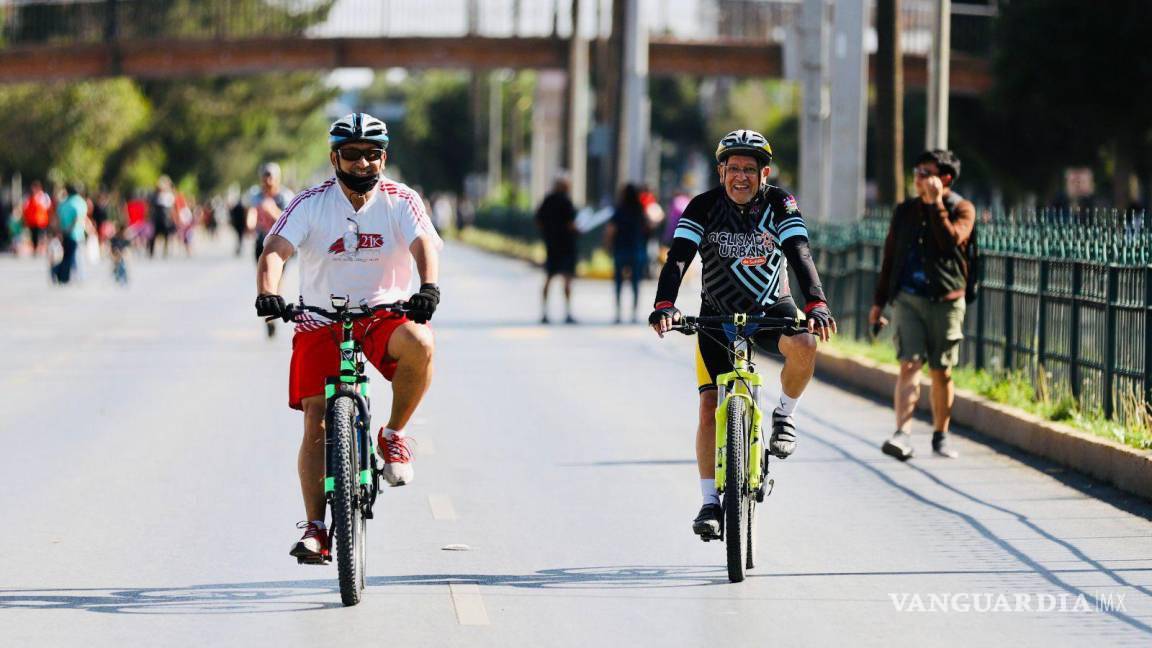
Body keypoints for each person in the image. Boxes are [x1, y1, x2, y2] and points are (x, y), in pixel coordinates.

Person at [254, 112, 443, 564]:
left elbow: (423, 246)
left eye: (372, 155)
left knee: (421, 344)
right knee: (316, 419)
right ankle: (317, 529)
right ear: (334, 156)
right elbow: (275, 251)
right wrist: (268, 294)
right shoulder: (309, 202)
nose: (362, 164)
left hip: (383, 312)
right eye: (353, 155)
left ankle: (393, 433)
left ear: (384, 158)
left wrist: (428, 288)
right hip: (320, 317)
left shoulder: (402, 199)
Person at [648, 129, 836, 540]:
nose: (741, 177)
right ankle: (709, 502)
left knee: (805, 344)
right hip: (717, 317)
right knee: (708, 405)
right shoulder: (702, 206)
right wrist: (665, 304)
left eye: (750, 169)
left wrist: (816, 303)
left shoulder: (780, 203)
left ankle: (784, 415)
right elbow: (678, 259)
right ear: (721, 171)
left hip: (771, 310)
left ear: (764, 173)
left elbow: (799, 253)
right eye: (733, 168)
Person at [870, 149, 974, 461]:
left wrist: (936, 205)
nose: (919, 178)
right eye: (917, 171)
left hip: (946, 300)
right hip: (908, 299)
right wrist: (879, 303)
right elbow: (891, 257)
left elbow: (950, 241)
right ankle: (902, 433)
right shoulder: (904, 211)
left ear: (945, 178)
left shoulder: (962, 209)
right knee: (909, 364)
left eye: (927, 173)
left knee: (942, 370)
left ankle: (941, 435)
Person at [248, 162, 295, 338]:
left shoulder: (285, 196)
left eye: (271, 177)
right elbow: (252, 213)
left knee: (277, 282)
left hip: (280, 245)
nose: (267, 181)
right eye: (264, 177)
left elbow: (289, 221)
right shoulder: (256, 196)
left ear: (277, 179)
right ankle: (269, 318)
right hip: (261, 244)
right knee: (264, 281)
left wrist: (272, 210)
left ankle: (272, 313)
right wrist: (251, 223)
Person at [534, 174, 578, 324]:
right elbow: (571, 224)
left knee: (548, 278)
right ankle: (567, 312)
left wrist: (548, 231)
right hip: (566, 245)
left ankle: (544, 312)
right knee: (566, 279)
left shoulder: (547, 200)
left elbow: (538, 220)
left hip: (551, 245)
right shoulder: (566, 202)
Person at [604, 183, 650, 324]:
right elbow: (647, 227)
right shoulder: (640, 210)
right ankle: (634, 313)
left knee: (618, 282)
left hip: (621, 250)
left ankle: (618, 313)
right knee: (635, 283)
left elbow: (611, 230)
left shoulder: (619, 210)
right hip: (636, 250)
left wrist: (608, 245)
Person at [51, 184, 88, 284]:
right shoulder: (80, 202)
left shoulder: (63, 203)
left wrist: (59, 231)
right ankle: (64, 274)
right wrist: (70, 229)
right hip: (76, 234)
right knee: (74, 256)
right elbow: (79, 218)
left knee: (67, 255)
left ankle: (63, 275)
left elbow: (57, 218)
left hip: (64, 233)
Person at [148, 175, 177, 258]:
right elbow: (150, 207)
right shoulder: (154, 196)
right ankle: (151, 252)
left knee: (166, 235)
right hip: (156, 218)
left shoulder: (169, 195)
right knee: (153, 235)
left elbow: (172, 209)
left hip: (166, 218)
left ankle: (165, 250)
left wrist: (173, 218)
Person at [22, 180, 51, 256]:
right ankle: (35, 250)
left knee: (42, 236)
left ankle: (43, 249)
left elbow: (48, 207)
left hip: (42, 221)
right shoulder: (29, 197)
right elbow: (25, 208)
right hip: (32, 222)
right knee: (34, 236)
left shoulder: (44, 196)